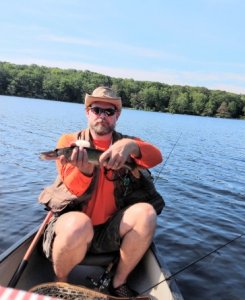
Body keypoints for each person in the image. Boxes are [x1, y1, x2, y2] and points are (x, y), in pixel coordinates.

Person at [41, 86, 165, 297]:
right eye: (97, 110)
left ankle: (118, 283)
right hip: (72, 228)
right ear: (87, 112)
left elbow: (156, 158)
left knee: (146, 213)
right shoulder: (68, 143)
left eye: (109, 112)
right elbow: (73, 188)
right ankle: (61, 285)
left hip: (109, 231)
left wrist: (131, 145)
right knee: (78, 225)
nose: (102, 116)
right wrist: (85, 171)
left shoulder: (126, 144)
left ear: (117, 116)